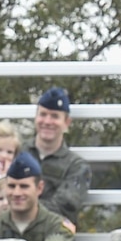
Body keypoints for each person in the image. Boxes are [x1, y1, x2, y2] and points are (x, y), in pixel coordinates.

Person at [25, 86, 91, 225]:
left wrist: (15, 208)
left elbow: (64, 207)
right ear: (36, 118)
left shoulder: (77, 167)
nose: (47, 121)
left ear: (67, 123)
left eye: (55, 116)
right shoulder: (17, 153)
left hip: (55, 236)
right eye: (43, 114)